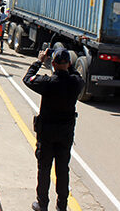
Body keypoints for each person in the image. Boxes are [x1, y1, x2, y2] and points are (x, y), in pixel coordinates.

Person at [23, 48, 84, 211]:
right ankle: (62, 206)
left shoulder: (47, 83)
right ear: (69, 64)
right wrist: (68, 66)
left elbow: (27, 78)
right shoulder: (75, 83)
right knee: (63, 170)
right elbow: (77, 76)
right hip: (65, 133)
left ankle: (42, 204)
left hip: (47, 133)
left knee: (44, 169)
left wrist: (39, 61)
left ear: (53, 64)